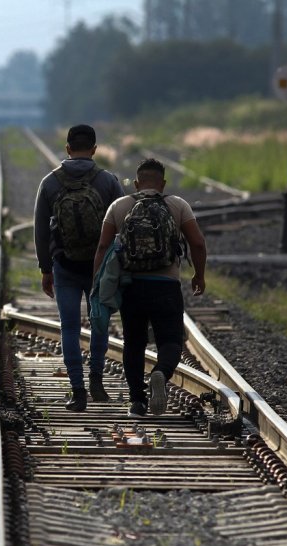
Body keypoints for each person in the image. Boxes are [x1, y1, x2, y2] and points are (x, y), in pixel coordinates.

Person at [93, 158, 206, 417]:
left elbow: (102, 247)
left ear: (136, 183)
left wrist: (97, 286)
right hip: (166, 286)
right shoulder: (178, 205)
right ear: (163, 183)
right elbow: (198, 243)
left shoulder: (119, 206)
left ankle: (137, 402)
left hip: (132, 286)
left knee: (133, 343)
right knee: (171, 340)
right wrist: (199, 275)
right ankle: (160, 373)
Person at [34, 124, 125, 411]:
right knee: (100, 323)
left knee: (69, 327)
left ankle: (78, 390)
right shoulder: (108, 181)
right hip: (101, 268)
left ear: (68, 149)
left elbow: (40, 231)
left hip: (65, 265)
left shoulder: (50, 183)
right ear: (95, 149)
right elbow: (125, 225)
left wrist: (45, 269)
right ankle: (97, 379)